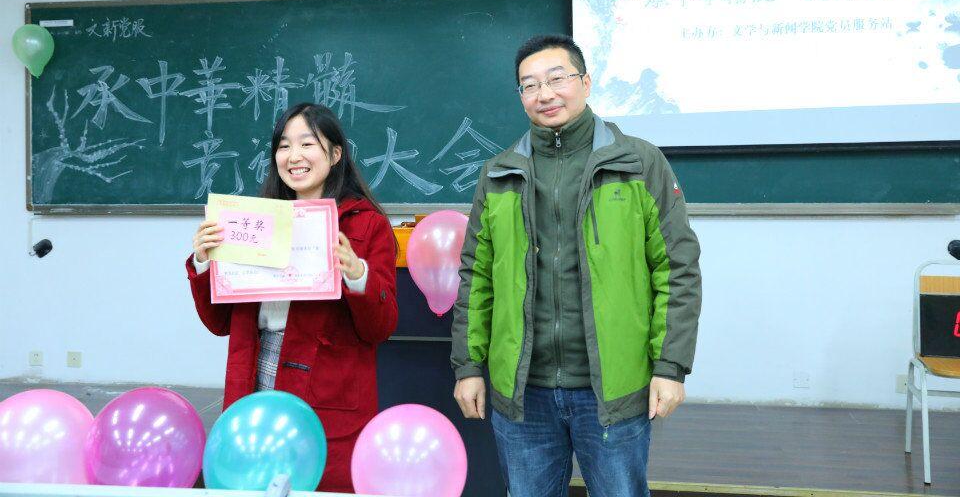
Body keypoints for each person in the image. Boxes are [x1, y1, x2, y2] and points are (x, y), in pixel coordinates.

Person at [451, 34, 702, 497]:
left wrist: (670, 366)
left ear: (585, 82)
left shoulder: (638, 162)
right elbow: (476, 277)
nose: (544, 94)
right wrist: (468, 366)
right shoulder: (499, 173)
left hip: (611, 389)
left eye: (557, 78)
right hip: (523, 392)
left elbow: (677, 268)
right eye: (530, 85)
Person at [187, 102, 397, 493]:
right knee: (253, 481)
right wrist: (203, 262)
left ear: (335, 154)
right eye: (284, 146)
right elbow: (219, 324)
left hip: (326, 390)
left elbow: (380, 328)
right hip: (255, 377)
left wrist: (357, 274)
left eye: (307, 144)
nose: (293, 156)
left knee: (315, 484)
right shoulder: (253, 222)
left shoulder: (368, 224)